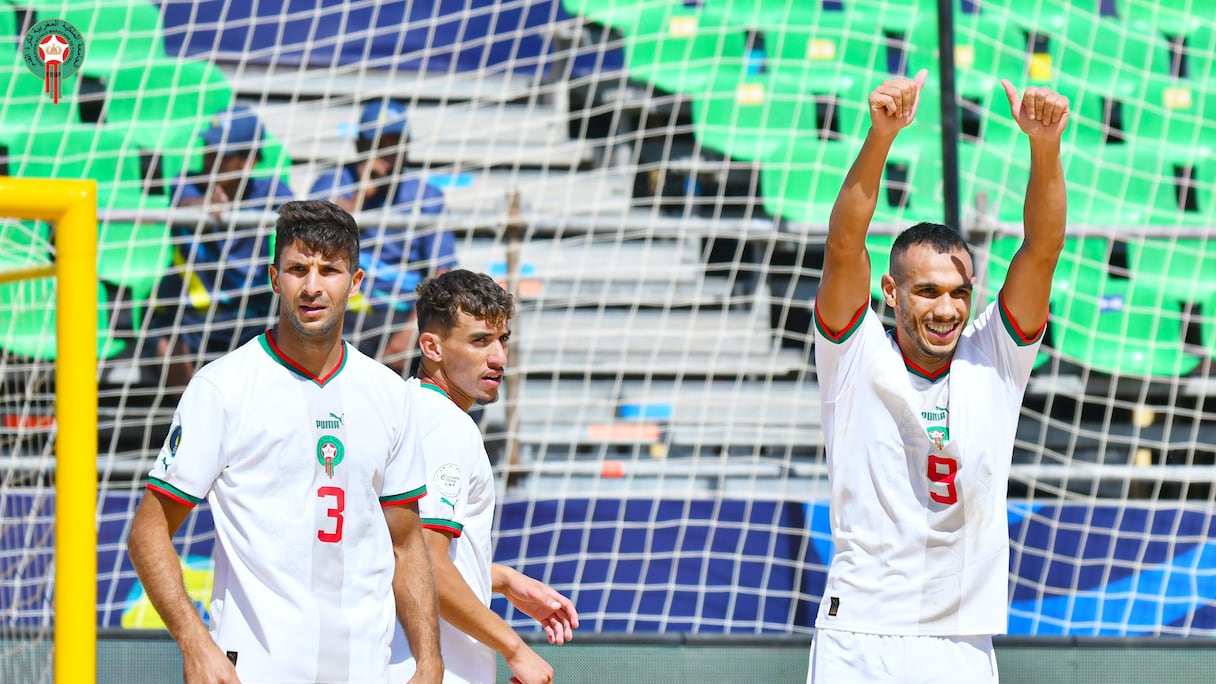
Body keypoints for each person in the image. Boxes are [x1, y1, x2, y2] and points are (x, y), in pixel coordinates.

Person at [807, 70, 1069, 683]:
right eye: (927, 291)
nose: (946, 308)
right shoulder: (854, 354)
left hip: (959, 640)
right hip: (859, 635)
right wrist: (881, 137)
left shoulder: (995, 358)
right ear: (891, 291)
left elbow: (1042, 248)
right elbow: (843, 248)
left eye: (958, 292)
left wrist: (1044, 146)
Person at [128, 200, 443, 684]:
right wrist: (196, 645)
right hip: (255, 671)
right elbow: (148, 533)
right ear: (275, 279)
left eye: (329, 270)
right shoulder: (223, 387)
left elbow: (405, 542)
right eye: (298, 269)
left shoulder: (388, 393)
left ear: (356, 282)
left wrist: (428, 660)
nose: (312, 286)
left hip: (365, 671)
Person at [389, 269, 579, 684]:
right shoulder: (445, 426)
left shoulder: (409, 409)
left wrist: (503, 580)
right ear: (432, 347)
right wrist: (515, 648)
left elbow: (398, 552)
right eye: (480, 341)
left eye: (502, 339)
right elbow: (425, 562)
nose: (499, 357)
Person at [152, 103, 296, 384]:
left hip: (249, 311)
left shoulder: (269, 189)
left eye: (221, 153)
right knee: (166, 344)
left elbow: (297, 211)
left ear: (249, 161)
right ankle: (190, 408)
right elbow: (183, 201)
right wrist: (203, 205)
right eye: (208, 149)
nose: (209, 159)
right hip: (191, 314)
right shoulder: (188, 181)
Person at [311, 98, 457, 369]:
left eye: (395, 145)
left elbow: (442, 273)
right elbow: (315, 242)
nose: (388, 155)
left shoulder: (427, 196)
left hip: (406, 315)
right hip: (346, 311)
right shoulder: (332, 183)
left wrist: (411, 332)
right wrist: (361, 194)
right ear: (361, 146)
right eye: (380, 145)